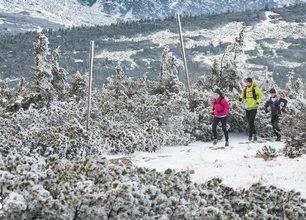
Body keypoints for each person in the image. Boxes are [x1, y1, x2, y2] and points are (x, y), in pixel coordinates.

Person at [239, 77, 264, 142]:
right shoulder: (245, 88)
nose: (246, 83)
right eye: (246, 82)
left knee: (251, 121)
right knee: (250, 122)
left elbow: (261, 95)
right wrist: (241, 98)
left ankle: (250, 136)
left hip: (254, 107)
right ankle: (255, 134)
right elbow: (242, 94)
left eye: (247, 82)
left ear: (250, 82)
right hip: (247, 107)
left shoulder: (255, 88)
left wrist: (258, 101)